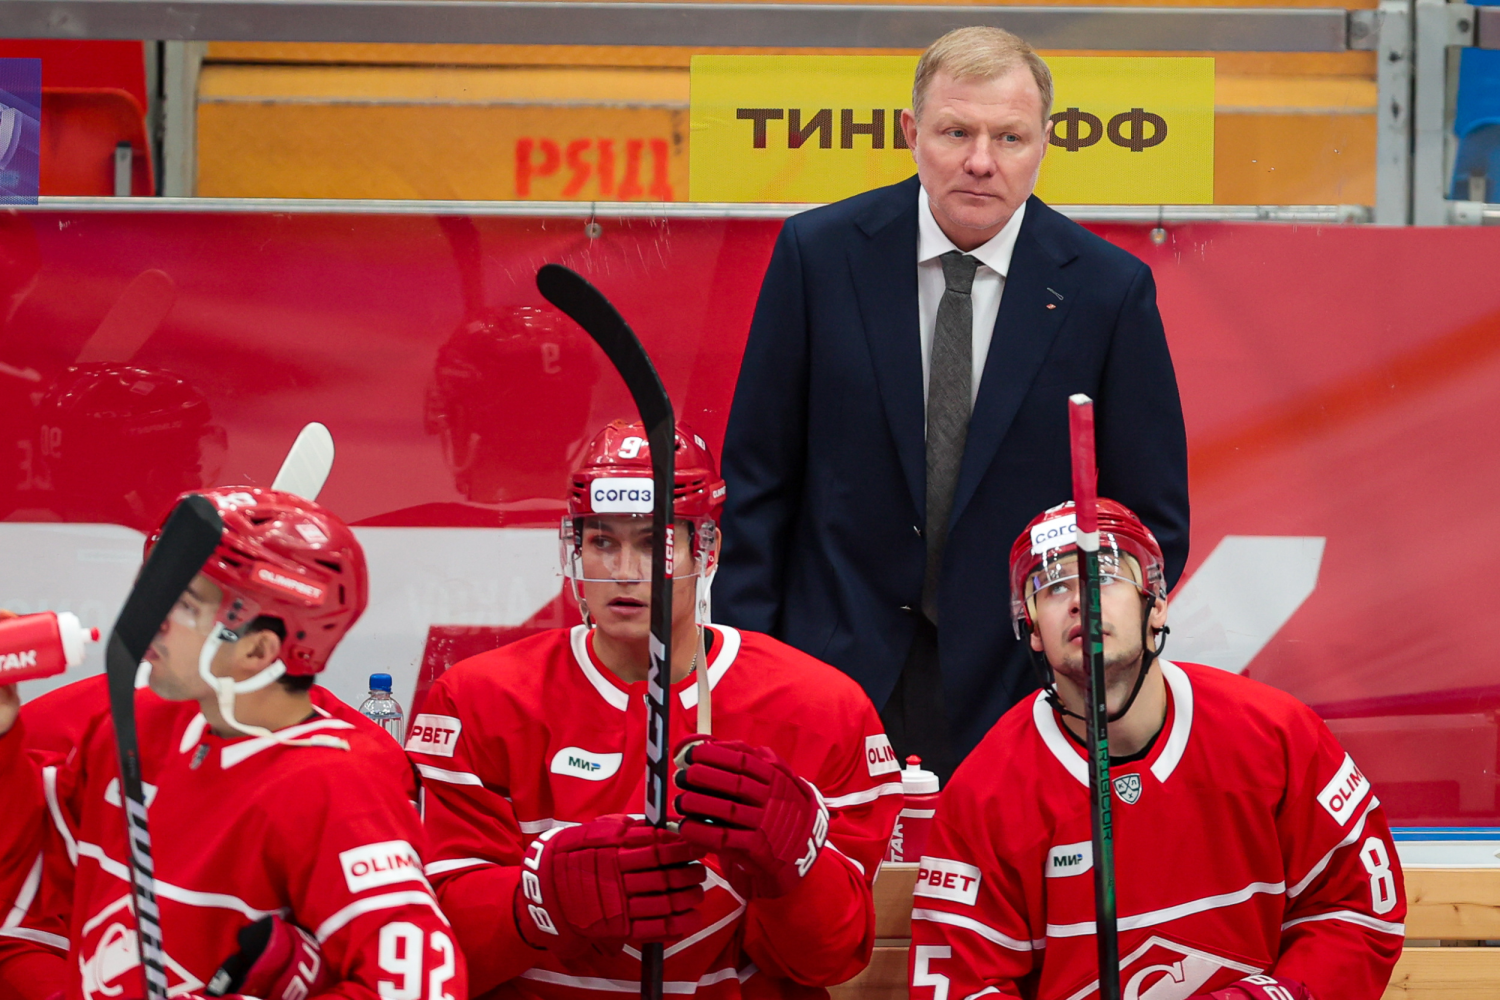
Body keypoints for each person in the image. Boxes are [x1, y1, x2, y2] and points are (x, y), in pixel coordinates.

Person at [715, 26, 1189, 782]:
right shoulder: (818, 255)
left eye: (1009, 136)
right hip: (825, 674)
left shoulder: (1109, 291)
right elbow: (758, 486)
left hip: (1024, 689)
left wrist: (1081, 655)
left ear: (1045, 143)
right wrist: (745, 671)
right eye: (956, 131)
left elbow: (1150, 522)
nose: (980, 160)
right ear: (911, 133)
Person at [406, 419, 902, 1000]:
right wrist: (541, 901)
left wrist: (796, 865)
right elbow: (438, 946)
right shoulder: (478, 700)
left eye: (654, 543)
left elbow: (829, 961)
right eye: (603, 541)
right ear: (574, 547)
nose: (625, 571)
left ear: (706, 549)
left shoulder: (820, 707)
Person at [907, 499, 1404, 1000]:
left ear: (1157, 604)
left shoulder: (1274, 733)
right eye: (1054, 586)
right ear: (1033, 630)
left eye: (1104, 575)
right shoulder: (986, 791)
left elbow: (1357, 911)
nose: (1081, 600)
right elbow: (961, 985)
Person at [0, 487, 466, 999]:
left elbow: (421, 986)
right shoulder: (132, 729)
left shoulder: (335, 785)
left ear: (258, 649)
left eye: (182, 603)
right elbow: (26, 869)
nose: (149, 617)